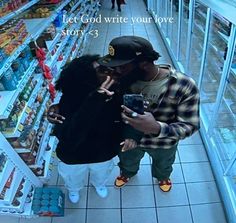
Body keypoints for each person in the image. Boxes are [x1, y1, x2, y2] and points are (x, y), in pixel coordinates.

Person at [98, 36, 200, 192]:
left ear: (143, 64)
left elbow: (190, 125)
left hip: (163, 143)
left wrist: (157, 128)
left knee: (164, 163)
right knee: (127, 161)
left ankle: (163, 177)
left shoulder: (183, 85)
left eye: (122, 66)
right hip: (128, 139)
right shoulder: (118, 80)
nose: (117, 71)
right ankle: (127, 173)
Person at [47, 54, 141, 203]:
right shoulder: (70, 98)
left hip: (103, 151)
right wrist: (95, 99)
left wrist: (132, 136)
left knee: (102, 173)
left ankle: (99, 184)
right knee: (72, 177)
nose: (111, 72)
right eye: (103, 71)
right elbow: (72, 135)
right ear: (86, 78)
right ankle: (74, 189)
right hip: (73, 156)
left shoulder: (119, 91)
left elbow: (134, 117)